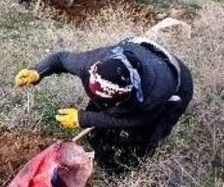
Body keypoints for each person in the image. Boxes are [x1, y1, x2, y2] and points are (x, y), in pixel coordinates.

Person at [15, 37, 193, 172]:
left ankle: (125, 169)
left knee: (142, 141)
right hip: (137, 51)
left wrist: (84, 118)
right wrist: (37, 72)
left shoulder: (154, 95)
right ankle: (99, 154)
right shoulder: (91, 64)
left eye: (111, 102)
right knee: (101, 123)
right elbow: (60, 59)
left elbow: (135, 120)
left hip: (176, 84)